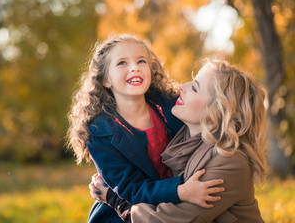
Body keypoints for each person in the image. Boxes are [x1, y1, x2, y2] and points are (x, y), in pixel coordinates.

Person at [67, 34, 224, 223]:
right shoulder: (100, 131)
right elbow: (131, 188)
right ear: (106, 80)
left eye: (141, 61)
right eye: (122, 63)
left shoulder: (170, 106)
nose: (134, 67)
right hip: (125, 211)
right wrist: (180, 191)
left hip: (178, 205)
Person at [90, 59, 268, 222]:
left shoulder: (230, 161)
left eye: (195, 87)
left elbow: (171, 220)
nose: (183, 86)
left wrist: (114, 200)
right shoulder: (182, 141)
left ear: (218, 111)